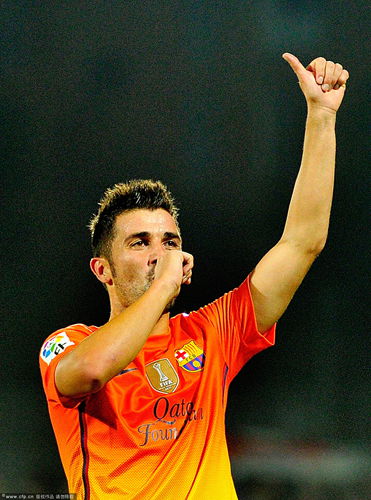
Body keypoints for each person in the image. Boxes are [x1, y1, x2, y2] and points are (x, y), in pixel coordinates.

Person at [39, 53, 349, 500]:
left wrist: (321, 117)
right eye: (140, 242)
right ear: (102, 269)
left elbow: (302, 243)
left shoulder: (212, 334)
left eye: (169, 241)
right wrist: (164, 284)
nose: (160, 253)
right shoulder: (67, 344)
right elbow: (88, 372)